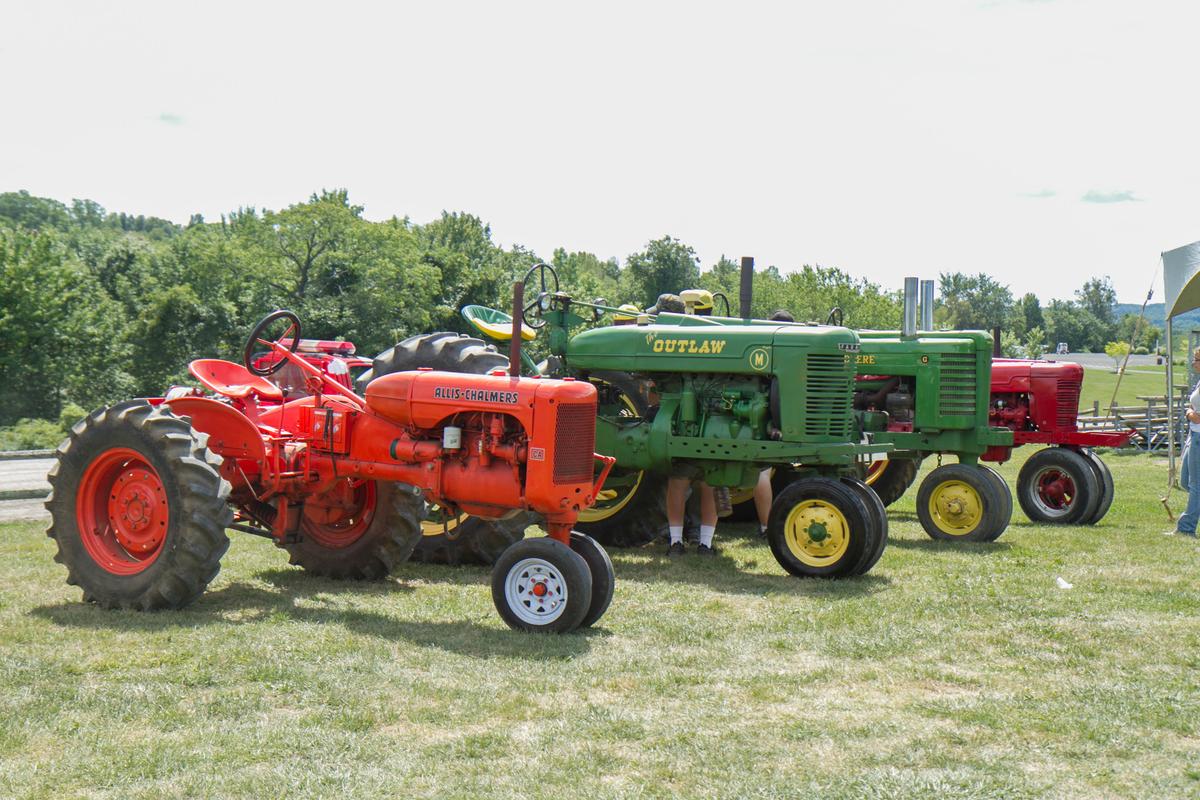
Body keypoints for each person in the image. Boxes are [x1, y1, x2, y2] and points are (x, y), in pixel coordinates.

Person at [752, 309, 796, 536]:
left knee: (761, 473)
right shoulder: (793, 353)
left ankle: (767, 526)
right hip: (781, 422)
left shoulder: (766, 353)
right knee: (762, 473)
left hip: (768, 423)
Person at [1170, 347, 1200, 536]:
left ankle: (1186, 527)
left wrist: (1190, 414)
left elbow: (1197, 416)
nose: (1193, 362)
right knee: (1186, 480)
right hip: (1194, 434)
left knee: (1196, 484)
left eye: (1196, 359)